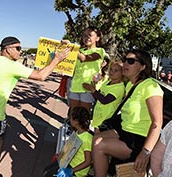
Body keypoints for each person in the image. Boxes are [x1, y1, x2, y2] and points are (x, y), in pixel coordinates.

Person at [0, 36, 70, 177]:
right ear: (8, 49)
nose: (20, 52)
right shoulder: (13, 66)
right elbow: (41, 76)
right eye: (18, 48)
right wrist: (57, 59)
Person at [92, 49, 163, 177]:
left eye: (130, 61)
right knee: (96, 138)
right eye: (125, 60)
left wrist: (145, 152)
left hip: (138, 139)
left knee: (99, 145)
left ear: (143, 67)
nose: (125, 64)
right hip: (125, 131)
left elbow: (157, 122)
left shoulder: (150, 87)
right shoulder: (131, 84)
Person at [43, 106, 93, 177]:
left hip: (76, 170)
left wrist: (71, 171)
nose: (69, 119)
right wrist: (61, 155)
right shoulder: (77, 132)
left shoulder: (87, 139)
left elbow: (88, 161)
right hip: (68, 162)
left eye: (71, 118)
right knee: (46, 171)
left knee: (48, 174)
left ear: (76, 122)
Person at [66, 26, 106, 116]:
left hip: (88, 88)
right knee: (73, 113)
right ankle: (71, 129)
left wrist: (71, 47)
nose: (86, 38)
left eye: (90, 35)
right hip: (75, 87)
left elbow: (85, 58)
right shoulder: (80, 50)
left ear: (98, 38)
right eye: (84, 35)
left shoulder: (100, 51)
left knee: (84, 115)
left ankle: (82, 130)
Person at [83, 60, 125, 134]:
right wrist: (93, 87)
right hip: (98, 116)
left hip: (106, 119)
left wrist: (92, 90)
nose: (112, 72)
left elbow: (105, 100)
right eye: (111, 69)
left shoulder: (119, 88)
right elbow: (99, 96)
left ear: (122, 73)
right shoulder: (107, 82)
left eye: (116, 70)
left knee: (98, 138)